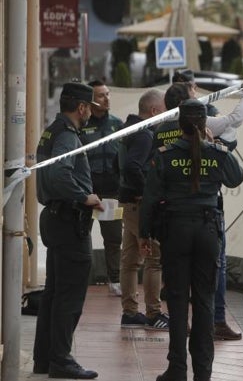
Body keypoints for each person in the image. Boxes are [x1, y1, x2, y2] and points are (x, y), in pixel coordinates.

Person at [139, 99, 243, 381]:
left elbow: (150, 198)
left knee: (176, 300)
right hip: (208, 232)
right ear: (204, 125)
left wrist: (144, 234)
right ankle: (203, 373)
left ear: (180, 125)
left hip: (175, 233)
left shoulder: (165, 155)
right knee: (204, 301)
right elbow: (237, 179)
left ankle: (176, 369)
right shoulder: (218, 152)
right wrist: (215, 145)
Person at [156, 77, 243, 340]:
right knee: (210, 276)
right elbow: (235, 174)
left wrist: (148, 229)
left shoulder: (157, 130)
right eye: (193, 94)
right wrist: (217, 146)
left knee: (177, 284)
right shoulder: (209, 136)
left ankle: (179, 336)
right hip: (206, 219)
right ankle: (213, 325)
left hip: (173, 220)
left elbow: (151, 182)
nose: (198, 96)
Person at [33, 82, 104, 379]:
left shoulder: (53, 130)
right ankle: (61, 359)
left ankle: (45, 358)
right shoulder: (66, 135)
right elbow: (60, 173)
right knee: (69, 296)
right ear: (82, 107)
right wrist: (84, 196)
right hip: (67, 222)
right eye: (90, 108)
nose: (90, 113)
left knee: (54, 293)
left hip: (55, 218)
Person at [117, 89, 171, 330]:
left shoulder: (126, 130)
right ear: (154, 111)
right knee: (153, 259)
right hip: (141, 205)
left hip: (128, 203)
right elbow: (132, 166)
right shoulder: (145, 135)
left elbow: (115, 164)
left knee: (129, 260)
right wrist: (145, 192)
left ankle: (129, 312)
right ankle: (153, 313)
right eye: (165, 109)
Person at [79, 79, 124, 296]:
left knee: (114, 238)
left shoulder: (117, 124)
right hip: (86, 193)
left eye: (107, 94)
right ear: (90, 101)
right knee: (81, 235)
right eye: (100, 96)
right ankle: (81, 279)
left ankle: (114, 280)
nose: (106, 99)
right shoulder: (81, 126)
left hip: (111, 193)